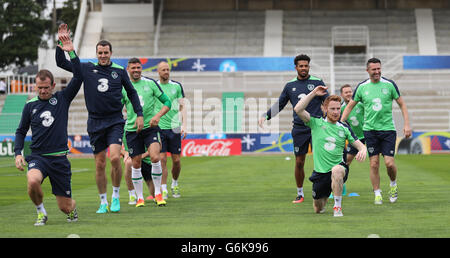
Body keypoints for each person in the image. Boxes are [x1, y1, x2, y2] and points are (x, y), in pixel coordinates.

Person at [55, 24, 144, 213]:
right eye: (100, 52)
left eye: (106, 52)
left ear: (111, 53)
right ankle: (103, 201)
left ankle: (116, 196)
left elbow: (132, 93)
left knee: (114, 158)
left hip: (115, 121)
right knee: (99, 163)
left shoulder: (119, 71)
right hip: (94, 122)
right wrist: (62, 46)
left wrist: (139, 114)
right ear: (96, 54)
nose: (103, 55)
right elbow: (62, 64)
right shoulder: (86, 68)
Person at [14, 33, 82, 225]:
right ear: (35, 87)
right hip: (38, 157)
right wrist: (18, 153)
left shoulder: (62, 98)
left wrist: (72, 54)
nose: (43, 91)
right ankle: (41, 212)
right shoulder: (30, 105)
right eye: (39, 88)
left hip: (59, 159)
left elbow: (78, 77)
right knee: (33, 180)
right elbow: (20, 131)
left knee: (65, 207)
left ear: (52, 85)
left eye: (46, 87)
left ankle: (72, 209)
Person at [258, 54, 329, 204]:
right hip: (299, 129)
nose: (304, 68)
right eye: (301, 66)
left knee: (322, 160)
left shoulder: (317, 82)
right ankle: (300, 193)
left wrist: (330, 116)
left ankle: (325, 190)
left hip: (317, 128)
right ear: (296, 67)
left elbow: (327, 101)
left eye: (306, 65)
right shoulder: (290, 86)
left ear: (309, 66)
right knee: (299, 162)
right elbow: (280, 103)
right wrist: (266, 115)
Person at [341, 58, 411, 205]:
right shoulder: (362, 87)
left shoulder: (390, 84)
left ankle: (393, 184)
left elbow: (402, 104)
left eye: (379, 69)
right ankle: (377, 193)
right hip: (370, 130)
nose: (377, 71)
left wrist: (406, 124)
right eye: (374, 69)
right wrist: (341, 122)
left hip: (388, 130)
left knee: (389, 164)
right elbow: (349, 106)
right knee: (373, 164)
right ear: (368, 71)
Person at [294, 86, 367, 217]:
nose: (336, 112)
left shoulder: (344, 128)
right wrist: (314, 93)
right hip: (320, 173)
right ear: (325, 109)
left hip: (338, 168)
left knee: (337, 170)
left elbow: (360, 145)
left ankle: (337, 207)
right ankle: (327, 193)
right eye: (332, 109)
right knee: (318, 208)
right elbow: (298, 109)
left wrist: (363, 150)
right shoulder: (315, 123)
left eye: (338, 109)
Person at [123, 58, 171, 207]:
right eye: (133, 68)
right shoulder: (123, 87)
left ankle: (158, 194)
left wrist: (157, 116)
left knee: (156, 157)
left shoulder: (150, 83)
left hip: (150, 128)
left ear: (141, 68)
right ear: (128, 69)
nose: (136, 70)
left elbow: (167, 102)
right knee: (135, 163)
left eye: (138, 67)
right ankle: (140, 198)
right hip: (132, 130)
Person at [156, 61, 187, 199]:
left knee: (176, 161)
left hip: (174, 127)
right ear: (158, 72)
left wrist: (184, 125)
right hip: (160, 127)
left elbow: (182, 107)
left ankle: (174, 183)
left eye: (168, 69)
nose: (166, 72)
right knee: (162, 158)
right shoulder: (154, 86)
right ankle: (163, 189)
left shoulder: (177, 86)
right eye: (163, 70)